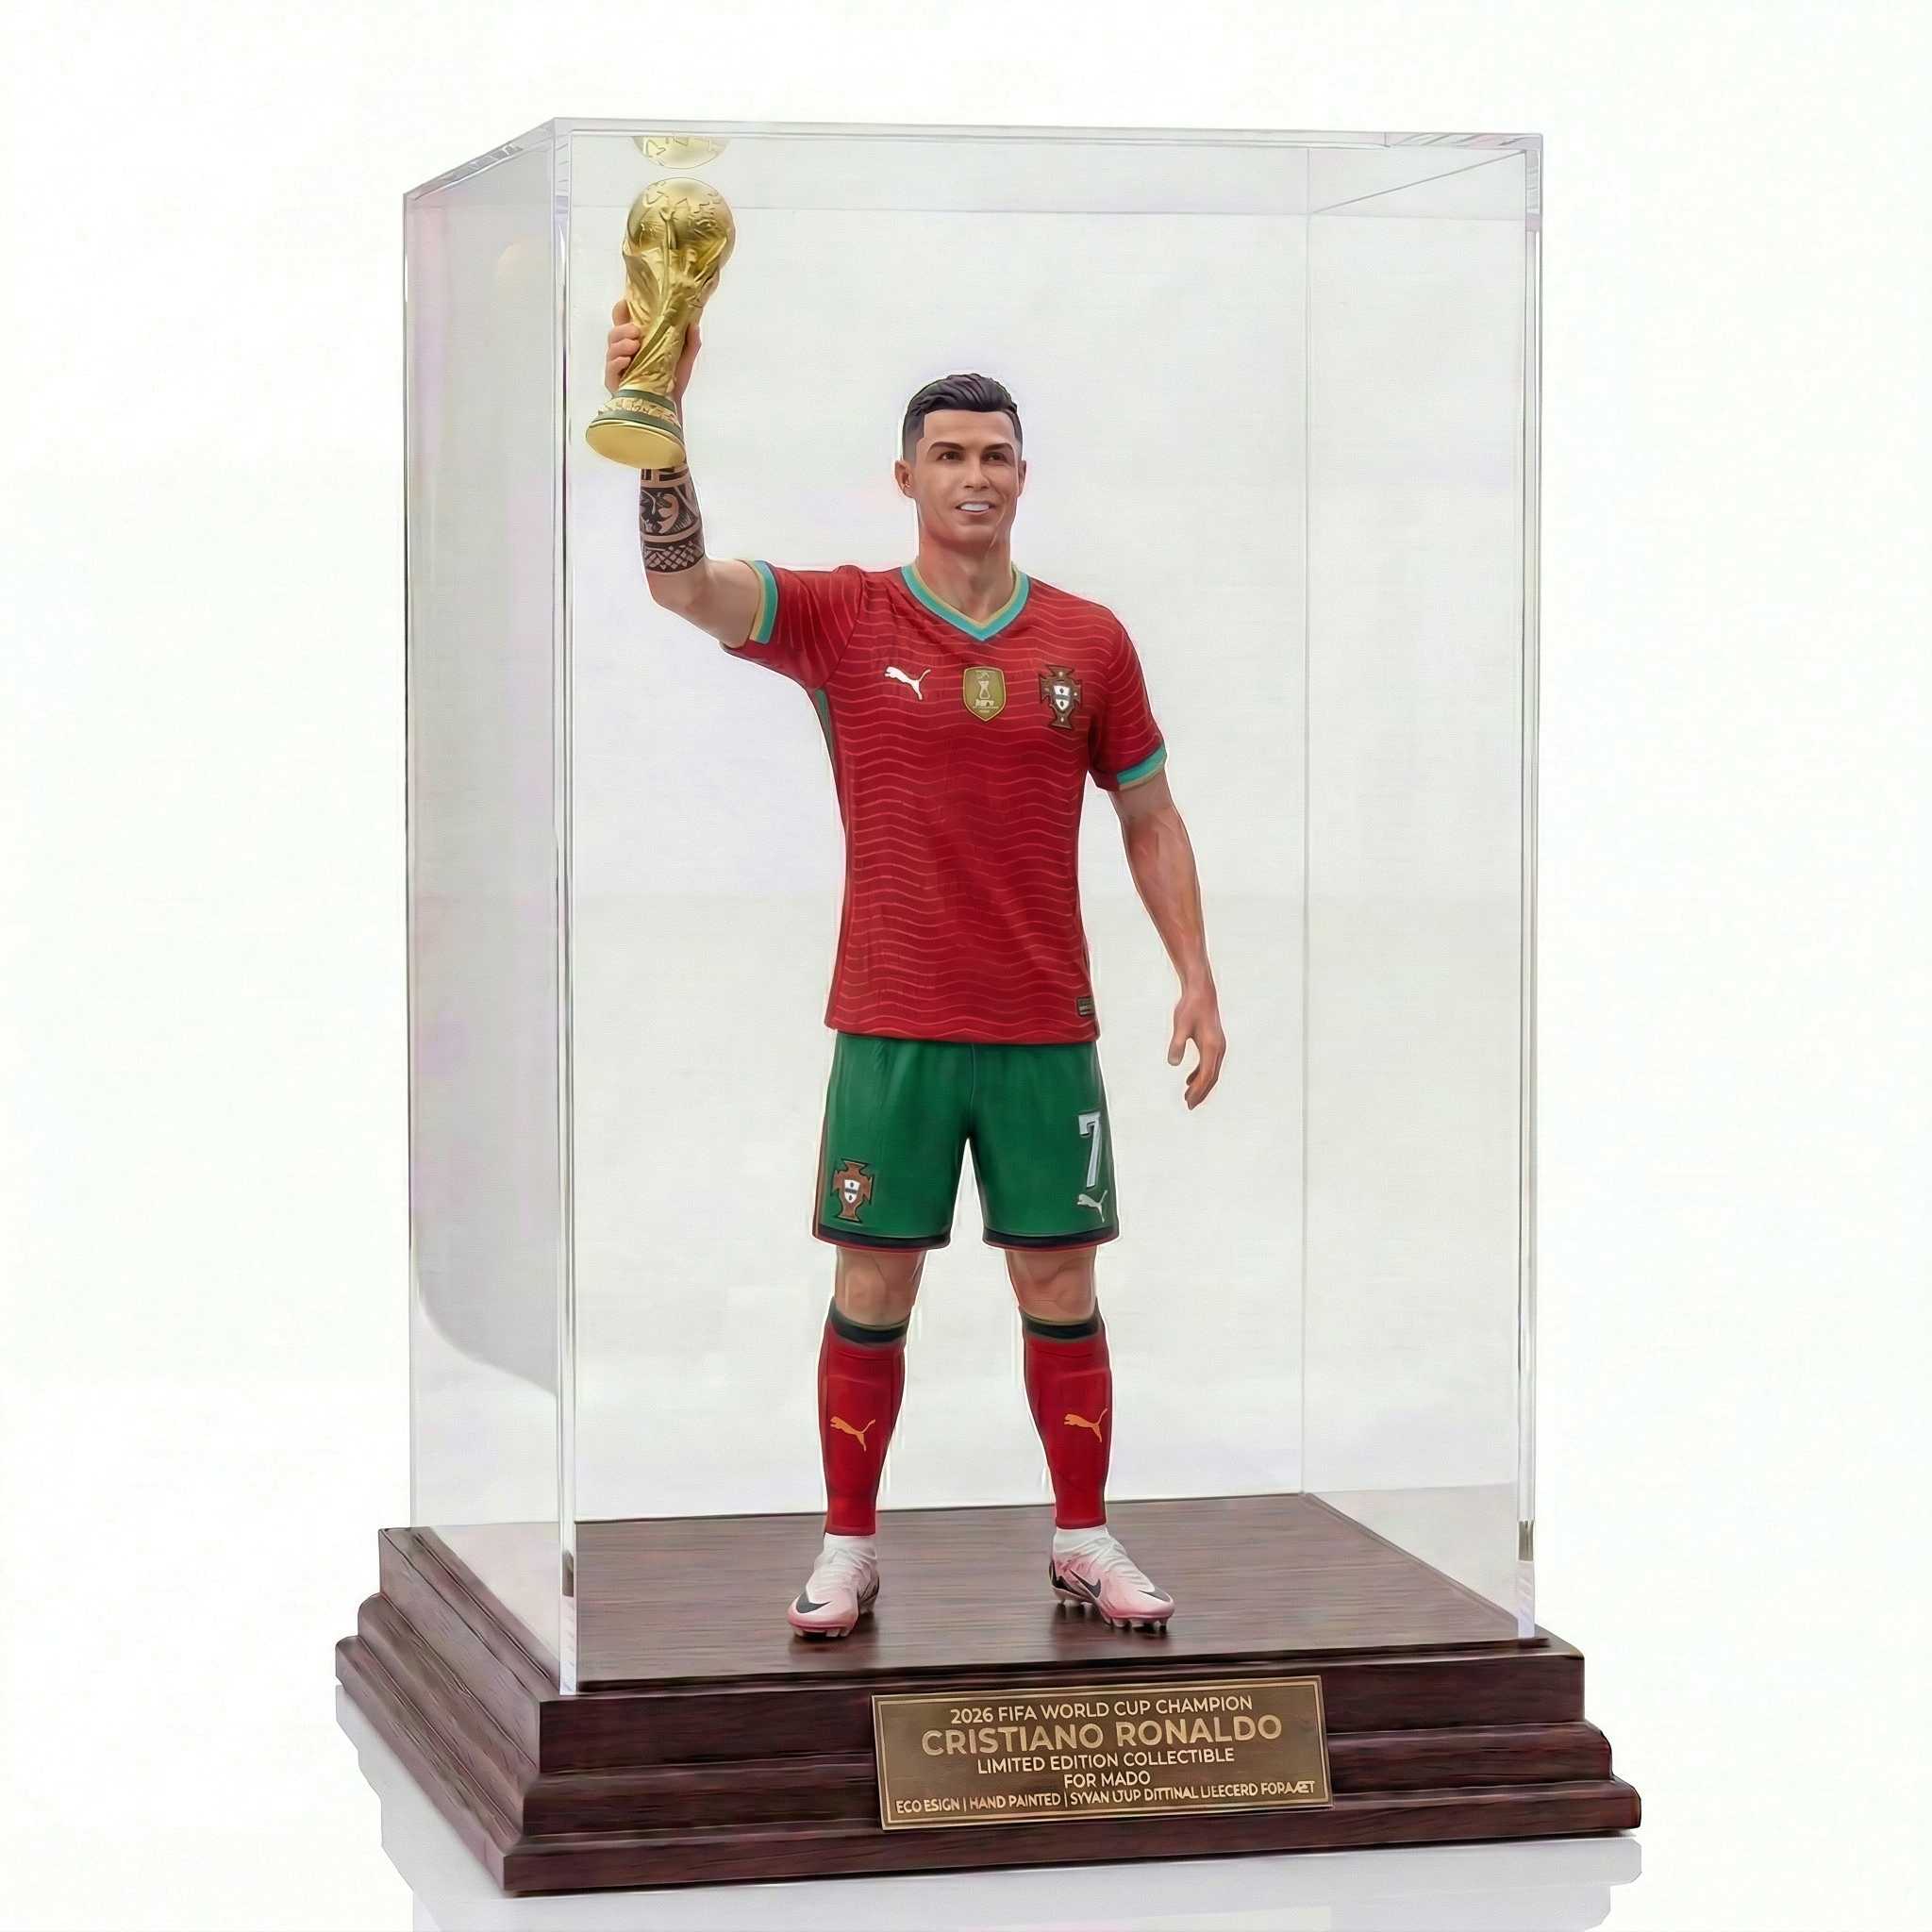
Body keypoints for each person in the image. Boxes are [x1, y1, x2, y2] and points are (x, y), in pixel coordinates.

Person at [608, 302, 1226, 1638]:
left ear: (1024, 475)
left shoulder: (1090, 642)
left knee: (1061, 1286)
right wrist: (660, 424)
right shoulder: (844, 616)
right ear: (906, 477)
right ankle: (848, 1547)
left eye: (994, 455)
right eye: (948, 455)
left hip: (1042, 1028)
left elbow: (1149, 812)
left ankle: (1083, 1539)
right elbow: (684, 586)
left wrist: (1196, 972)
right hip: (892, 1025)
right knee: (873, 1285)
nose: (973, 475)